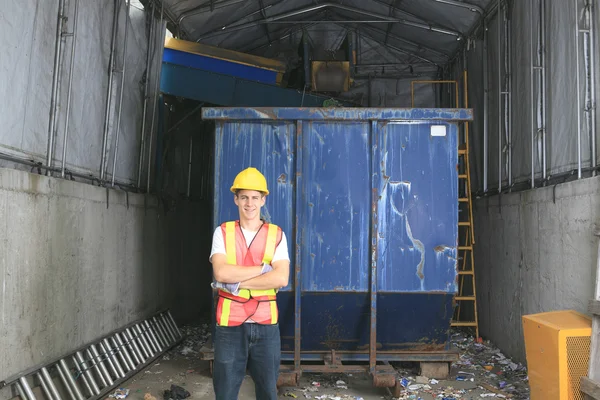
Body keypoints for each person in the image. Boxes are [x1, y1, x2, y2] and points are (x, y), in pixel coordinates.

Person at [209, 167, 290, 400]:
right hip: (229, 326)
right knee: (225, 392)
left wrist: (237, 284)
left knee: (267, 392)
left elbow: (281, 278)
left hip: (266, 325)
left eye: (255, 197)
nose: (249, 203)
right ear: (236, 199)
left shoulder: (277, 235)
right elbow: (221, 272)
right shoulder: (222, 232)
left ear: (263, 200)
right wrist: (264, 270)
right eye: (244, 197)